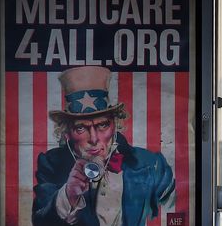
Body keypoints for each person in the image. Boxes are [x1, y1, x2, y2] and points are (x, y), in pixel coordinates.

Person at [32, 66, 175, 226]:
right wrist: (68, 195)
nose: (94, 138)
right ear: (67, 133)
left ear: (115, 125)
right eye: (81, 128)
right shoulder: (51, 163)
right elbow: (40, 220)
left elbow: (174, 213)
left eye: (103, 125)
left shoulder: (152, 164)